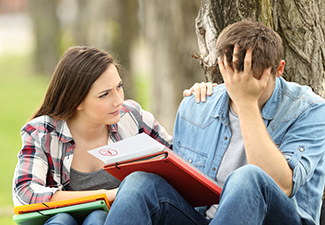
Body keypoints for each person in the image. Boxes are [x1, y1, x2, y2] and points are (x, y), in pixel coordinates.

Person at [104, 20, 325, 225]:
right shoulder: (196, 105)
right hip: (204, 218)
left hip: (275, 219)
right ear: (222, 67)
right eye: (234, 78)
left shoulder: (310, 110)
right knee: (139, 183)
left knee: (248, 176)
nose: (241, 85)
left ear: (279, 69)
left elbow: (282, 185)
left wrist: (246, 102)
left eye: (255, 81)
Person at [12, 46, 213, 225]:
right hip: (63, 218)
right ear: (76, 101)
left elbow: (182, 162)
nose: (118, 100)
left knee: (97, 218)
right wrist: (109, 196)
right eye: (105, 94)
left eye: (119, 87)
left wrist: (199, 103)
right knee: (63, 220)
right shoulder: (42, 132)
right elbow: (25, 193)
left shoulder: (132, 117)